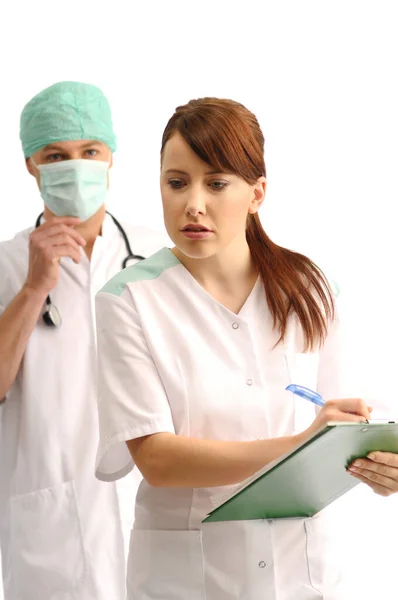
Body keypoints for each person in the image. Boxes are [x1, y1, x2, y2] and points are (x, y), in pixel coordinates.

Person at [94, 98, 398, 600]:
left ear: (257, 193)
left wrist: (380, 470)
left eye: (216, 184)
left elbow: (362, 425)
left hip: (299, 571)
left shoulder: (313, 288)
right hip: (187, 577)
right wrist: (301, 446)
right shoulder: (128, 300)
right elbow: (158, 459)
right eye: (176, 182)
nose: (194, 203)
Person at [0, 81, 168, 600]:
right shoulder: (5, 265)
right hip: (53, 526)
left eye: (89, 151)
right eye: (56, 155)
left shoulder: (160, 256)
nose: (76, 166)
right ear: (31, 164)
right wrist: (33, 289)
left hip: (158, 510)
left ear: (111, 155)